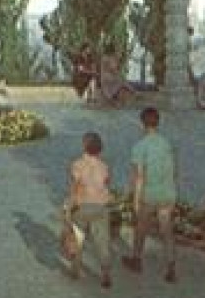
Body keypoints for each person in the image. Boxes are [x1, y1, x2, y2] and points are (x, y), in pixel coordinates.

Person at [123, 107, 178, 283]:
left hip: (150, 193)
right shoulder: (166, 143)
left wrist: (135, 199)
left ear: (142, 124)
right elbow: (172, 169)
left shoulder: (140, 146)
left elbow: (139, 176)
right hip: (167, 191)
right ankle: (170, 265)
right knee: (166, 229)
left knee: (141, 227)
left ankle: (136, 259)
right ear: (158, 122)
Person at [63, 132, 114, 287]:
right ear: (100, 149)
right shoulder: (104, 166)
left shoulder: (77, 165)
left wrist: (68, 207)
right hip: (100, 207)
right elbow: (106, 184)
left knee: (78, 238)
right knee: (102, 242)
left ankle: (76, 269)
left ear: (84, 146)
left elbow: (75, 188)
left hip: (82, 207)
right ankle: (105, 273)